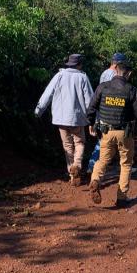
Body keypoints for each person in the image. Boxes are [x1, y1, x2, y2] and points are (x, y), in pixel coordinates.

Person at [87, 61, 137, 208]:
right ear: (129, 73)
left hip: (106, 132)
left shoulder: (103, 87)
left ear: (115, 71)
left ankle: (95, 180)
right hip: (124, 133)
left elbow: (91, 107)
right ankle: (121, 197)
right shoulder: (131, 90)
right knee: (126, 164)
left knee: (102, 161)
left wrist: (90, 123)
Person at [35, 54, 93, 186]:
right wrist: (93, 118)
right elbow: (89, 99)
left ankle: (72, 176)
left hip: (61, 118)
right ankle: (77, 165)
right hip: (77, 118)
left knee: (67, 146)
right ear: (79, 64)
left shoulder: (59, 76)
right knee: (79, 143)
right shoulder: (83, 77)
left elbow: (47, 94)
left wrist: (38, 111)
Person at [87, 53, 128, 174]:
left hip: (101, 110)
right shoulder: (115, 75)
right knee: (103, 142)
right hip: (110, 113)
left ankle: (99, 166)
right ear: (118, 64)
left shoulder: (104, 73)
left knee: (105, 141)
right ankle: (92, 166)